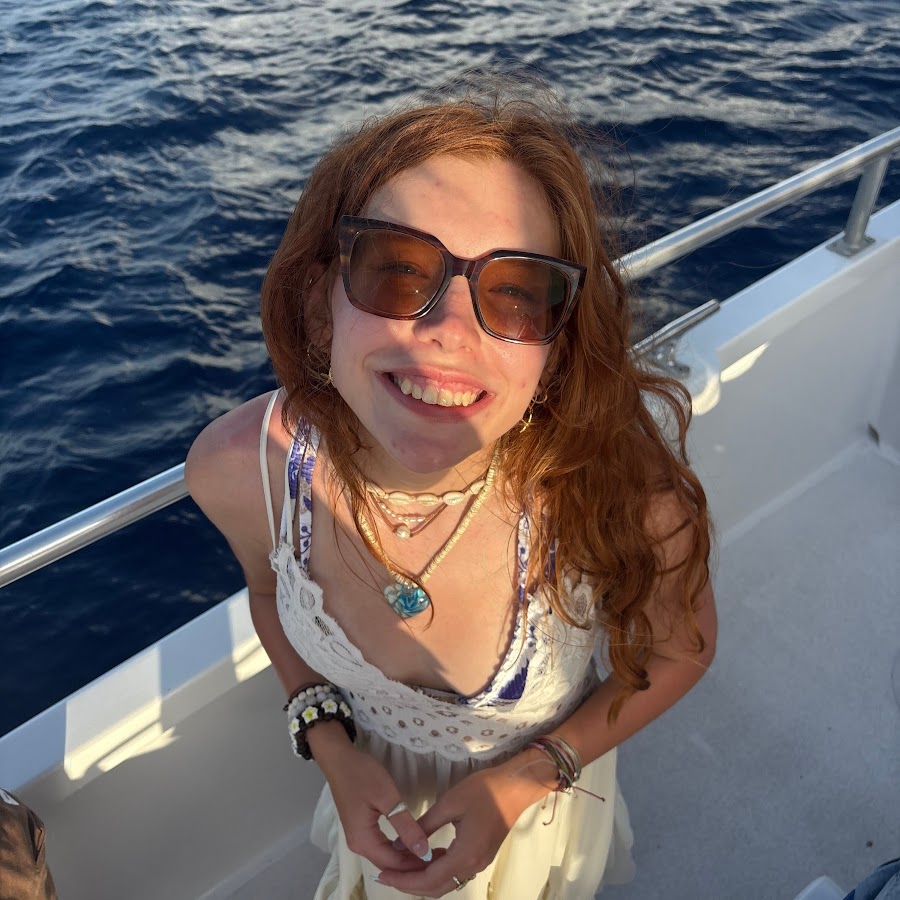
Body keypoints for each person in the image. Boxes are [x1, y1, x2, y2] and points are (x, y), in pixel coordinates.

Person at [186, 76, 717, 900]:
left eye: (517, 294)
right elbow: (266, 593)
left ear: (559, 345)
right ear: (320, 303)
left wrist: (530, 776)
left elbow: (683, 650)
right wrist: (332, 746)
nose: (449, 332)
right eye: (398, 271)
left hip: (542, 809)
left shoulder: (617, 487)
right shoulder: (240, 469)